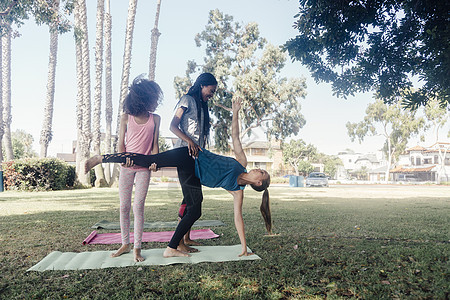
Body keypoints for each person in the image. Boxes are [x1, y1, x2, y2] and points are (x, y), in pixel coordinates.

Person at [85, 98, 272, 258]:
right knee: (149, 160)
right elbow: (236, 137)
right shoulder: (242, 161)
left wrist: (243, 247)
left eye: (261, 173)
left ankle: (172, 247)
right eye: (261, 170)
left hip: (192, 174)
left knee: (195, 207)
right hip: (189, 155)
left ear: (258, 183)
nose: (258, 169)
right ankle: (101, 158)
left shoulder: (237, 190)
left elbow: (238, 218)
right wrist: (236, 112)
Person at [110, 75, 162, 262]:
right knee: (124, 207)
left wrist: (155, 161)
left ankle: (137, 248)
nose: (157, 103)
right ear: (143, 99)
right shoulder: (126, 117)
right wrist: (123, 161)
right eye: (154, 99)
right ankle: (125, 243)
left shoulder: (155, 119)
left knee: (138, 206)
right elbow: (121, 144)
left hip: (144, 169)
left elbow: (155, 145)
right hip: (126, 168)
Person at [169, 72, 217, 252]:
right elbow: (173, 126)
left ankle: (186, 238)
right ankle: (178, 242)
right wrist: (189, 141)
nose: (211, 95)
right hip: (184, 154)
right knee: (193, 200)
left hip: (197, 157)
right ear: (202, 85)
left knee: (189, 199)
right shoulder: (187, 100)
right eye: (210, 91)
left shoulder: (203, 106)